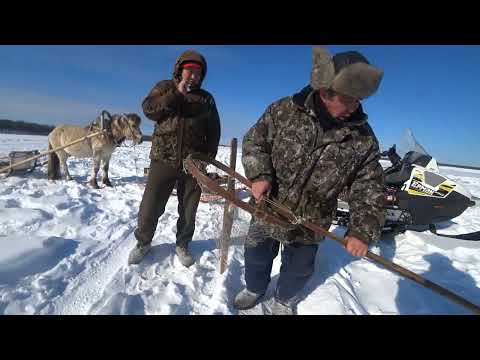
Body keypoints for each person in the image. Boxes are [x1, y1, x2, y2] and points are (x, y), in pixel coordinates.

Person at [235, 47, 386, 314]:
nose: (355, 108)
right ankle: (255, 288)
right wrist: (259, 175)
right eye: (349, 99)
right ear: (326, 92)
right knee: (256, 254)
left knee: (299, 268)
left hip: (312, 220)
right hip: (269, 205)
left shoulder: (363, 139)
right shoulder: (284, 110)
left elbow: (369, 187)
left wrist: (362, 230)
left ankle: (284, 299)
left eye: (358, 101)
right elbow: (255, 142)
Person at [128, 50, 221, 267]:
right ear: (180, 69)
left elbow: (214, 130)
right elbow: (149, 109)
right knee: (150, 206)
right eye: (190, 70)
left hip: (193, 163)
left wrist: (206, 159)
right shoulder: (164, 87)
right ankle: (143, 242)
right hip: (163, 159)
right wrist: (176, 94)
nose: (193, 75)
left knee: (189, 209)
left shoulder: (206, 98)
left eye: (198, 72)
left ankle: (182, 244)